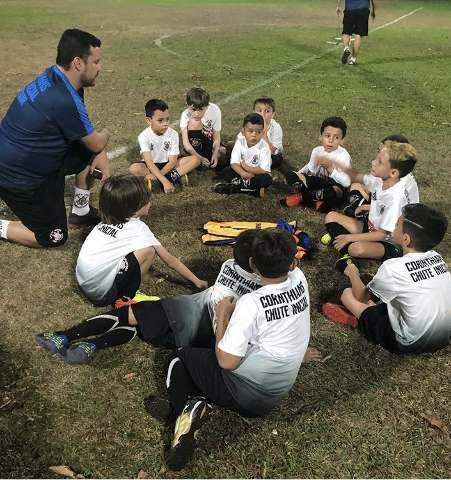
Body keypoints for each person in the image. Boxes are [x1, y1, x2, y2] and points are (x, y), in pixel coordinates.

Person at [159, 229, 311, 470]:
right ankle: (191, 406)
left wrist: (222, 317)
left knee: (178, 359)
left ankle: (182, 414)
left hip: (246, 395)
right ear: (293, 263)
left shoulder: (252, 303)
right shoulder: (299, 280)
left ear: (252, 263)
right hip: (277, 392)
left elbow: (226, 361)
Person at [35, 229, 261, 363]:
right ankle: (88, 346)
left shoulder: (228, 265)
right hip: (199, 342)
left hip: (183, 313)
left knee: (130, 315)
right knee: (140, 326)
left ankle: (65, 336)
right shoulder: (264, 288)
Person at [0, 28, 111, 248]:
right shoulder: (63, 98)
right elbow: (97, 141)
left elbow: (87, 141)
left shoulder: (56, 76)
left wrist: (98, 151)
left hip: (26, 157)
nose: (100, 68)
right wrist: (106, 135)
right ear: (78, 63)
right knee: (54, 236)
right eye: (96, 62)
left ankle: (80, 211)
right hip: (18, 177)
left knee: (90, 150)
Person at [322, 203, 451, 354]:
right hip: (444, 337)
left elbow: (361, 296)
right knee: (390, 298)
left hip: (408, 343)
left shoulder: (393, 268)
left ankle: (359, 320)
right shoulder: (437, 258)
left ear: (405, 239)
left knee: (348, 294)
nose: (392, 228)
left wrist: (352, 272)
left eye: (396, 225)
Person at [74, 175, 207, 308]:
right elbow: (170, 261)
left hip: (84, 285)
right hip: (102, 295)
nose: (150, 203)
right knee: (149, 250)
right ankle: (128, 297)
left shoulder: (105, 222)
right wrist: (197, 281)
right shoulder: (138, 228)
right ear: (135, 207)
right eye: (147, 200)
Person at [323, 140, 417, 269]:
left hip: (387, 242)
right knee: (331, 216)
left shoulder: (395, 198)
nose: (373, 162)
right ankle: (345, 246)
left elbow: (382, 234)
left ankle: (346, 250)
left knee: (356, 248)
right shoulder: (381, 180)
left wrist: (349, 237)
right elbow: (357, 177)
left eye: (379, 161)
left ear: (393, 173)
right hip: (371, 227)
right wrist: (336, 164)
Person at [282, 116, 351, 212]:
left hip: (334, 188)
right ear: (321, 136)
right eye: (327, 136)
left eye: (336, 137)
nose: (331, 140)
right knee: (291, 175)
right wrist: (298, 174)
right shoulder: (317, 151)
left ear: (342, 140)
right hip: (319, 182)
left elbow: (347, 182)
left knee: (334, 192)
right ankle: (316, 200)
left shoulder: (343, 156)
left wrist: (331, 169)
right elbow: (311, 170)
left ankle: (303, 198)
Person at [128, 99, 198, 193]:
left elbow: (173, 161)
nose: (165, 124)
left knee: (195, 159)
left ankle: (157, 181)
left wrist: (162, 177)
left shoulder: (173, 134)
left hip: (169, 164)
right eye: (160, 120)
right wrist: (164, 180)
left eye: (167, 119)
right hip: (151, 167)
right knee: (134, 169)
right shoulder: (143, 136)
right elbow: (149, 163)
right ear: (149, 121)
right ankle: (175, 177)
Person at [344, 134, 419, 218]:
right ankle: (357, 207)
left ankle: (358, 210)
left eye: (383, 152)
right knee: (356, 185)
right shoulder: (393, 171)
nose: (379, 154)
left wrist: (367, 207)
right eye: (379, 150)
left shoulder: (398, 184)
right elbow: (371, 186)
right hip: (381, 205)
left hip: (391, 218)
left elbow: (397, 211)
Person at [214, 113, 272, 197]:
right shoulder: (240, 142)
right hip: (240, 171)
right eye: (250, 131)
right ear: (243, 132)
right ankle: (252, 190)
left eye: (258, 132)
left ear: (263, 133)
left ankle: (235, 188)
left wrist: (246, 168)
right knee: (226, 171)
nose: (254, 135)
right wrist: (243, 173)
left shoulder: (264, 147)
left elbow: (263, 170)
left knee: (266, 179)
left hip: (256, 174)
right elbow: (234, 163)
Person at [179, 87, 222, 169]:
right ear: (187, 105)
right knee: (197, 162)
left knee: (221, 156)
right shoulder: (185, 115)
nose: (197, 114)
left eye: (201, 110)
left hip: (207, 136)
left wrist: (215, 154)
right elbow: (186, 142)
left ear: (207, 106)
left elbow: (216, 135)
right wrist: (200, 158)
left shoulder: (215, 110)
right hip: (192, 140)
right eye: (193, 109)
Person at [337, 0, 376, 65]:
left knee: (346, 32)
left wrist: (338, 6)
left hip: (350, 9)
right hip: (363, 9)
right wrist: (373, 10)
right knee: (358, 35)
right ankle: (353, 59)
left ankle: (346, 48)